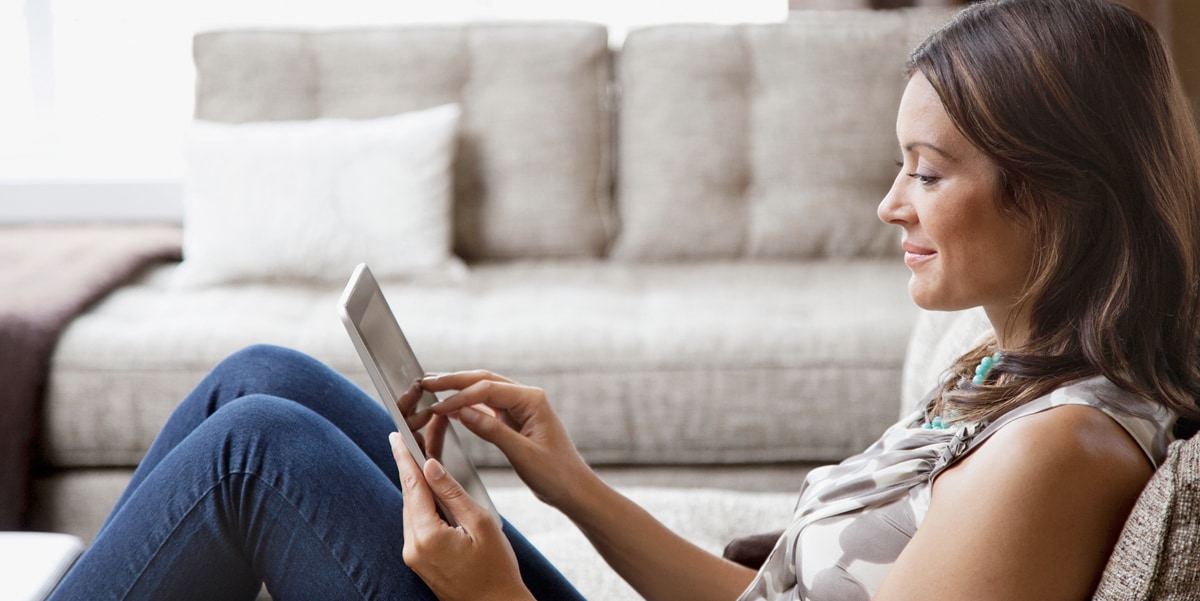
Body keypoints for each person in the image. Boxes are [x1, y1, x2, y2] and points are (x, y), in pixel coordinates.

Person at [48, 0, 1200, 599]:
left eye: (929, 171)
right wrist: (573, 489)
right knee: (268, 376)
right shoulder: (1004, 378)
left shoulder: (1057, 454)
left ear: (1056, 194)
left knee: (257, 449)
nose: (888, 206)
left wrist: (497, 592)